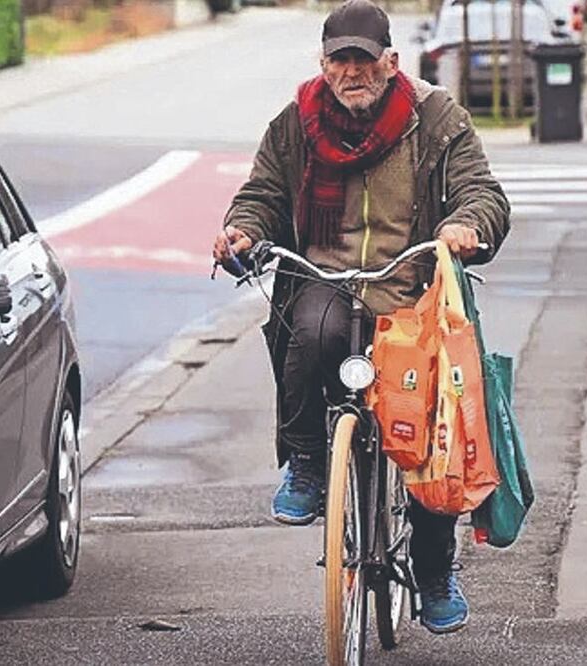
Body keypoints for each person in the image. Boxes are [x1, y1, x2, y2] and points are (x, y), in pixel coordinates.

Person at [212, 0, 509, 635]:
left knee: (426, 432)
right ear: (323, 65)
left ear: (390, 62)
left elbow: (482, 191)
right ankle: (308, 463)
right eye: (339, 61)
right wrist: (242, 231)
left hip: (409, 290)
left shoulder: (436, 119)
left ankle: (433, 574)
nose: (352, 73)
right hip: (326, 278)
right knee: (308, 331)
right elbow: (263, 192)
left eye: (363, 61)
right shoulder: (297, 122)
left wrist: (465, 225)